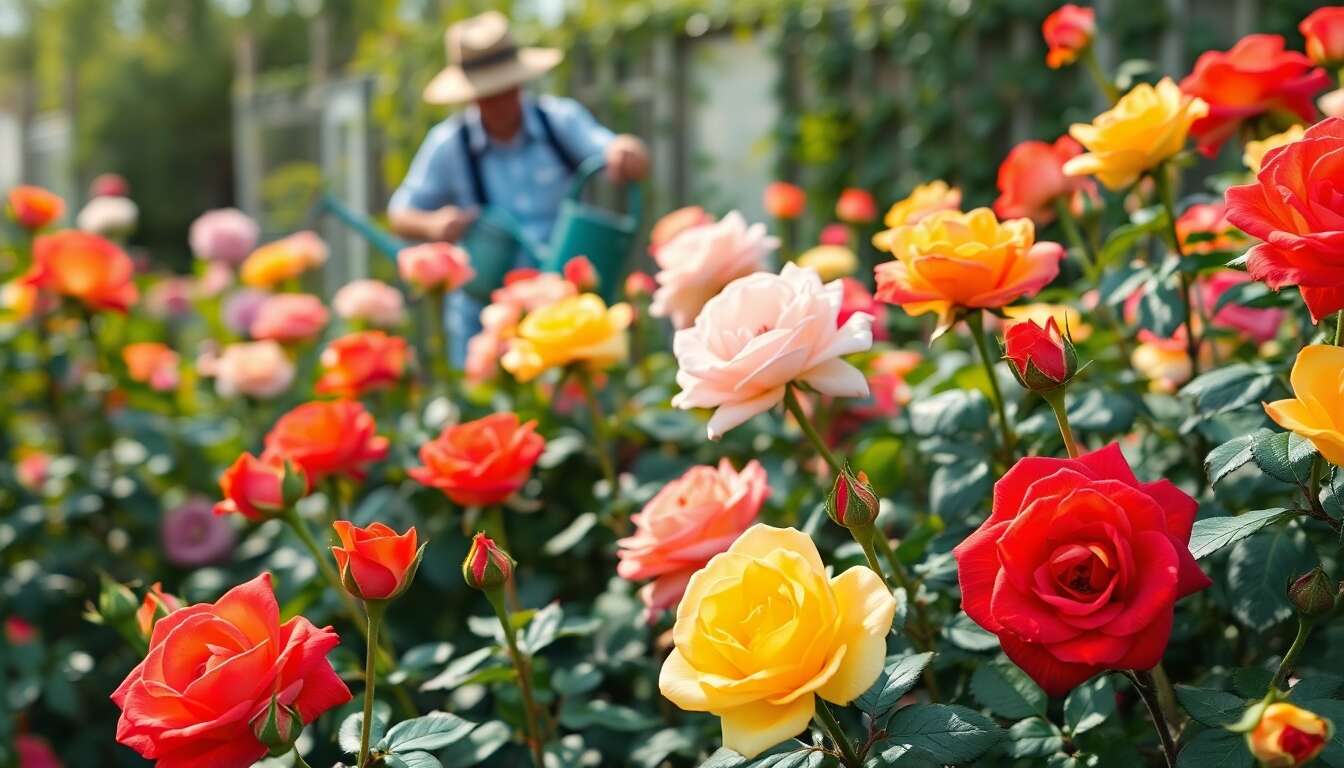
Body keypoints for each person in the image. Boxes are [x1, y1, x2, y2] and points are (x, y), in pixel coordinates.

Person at [389, 12, 649, 360]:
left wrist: (626, 151)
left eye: (506, 88)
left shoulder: (560, 121)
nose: (499, 102)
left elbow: (617, 152)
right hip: (483, 321)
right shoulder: (449, 144)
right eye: (487, 93)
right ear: (470, 96)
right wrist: (434, 224)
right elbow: (400, 214)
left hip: (562, 312)